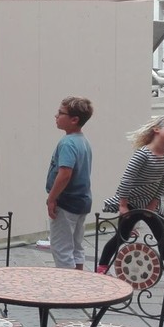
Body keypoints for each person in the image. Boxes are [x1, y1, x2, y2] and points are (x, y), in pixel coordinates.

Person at [96, 115, 164, 283]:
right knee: (122, 236)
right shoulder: (143, 154)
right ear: (157, 130)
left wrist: (153, 203)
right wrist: (123, 205)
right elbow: (127, 179)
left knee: (162, 236)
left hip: (150, 204)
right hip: (131, 202)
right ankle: (102, 267)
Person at [45, 97, 94, 270]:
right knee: (76, 246)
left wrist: (52, 198)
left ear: (74, 120)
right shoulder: (83, 141)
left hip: (66, 203)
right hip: (82, 201)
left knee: (61, 249)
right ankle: (79, 281)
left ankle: (67, 284)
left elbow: (65, 174)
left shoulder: (68, 143)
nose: (56, 116)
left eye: (60, 113)